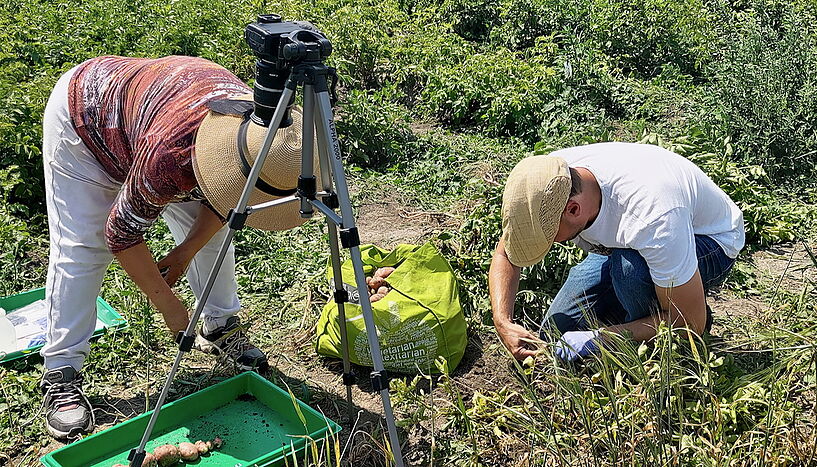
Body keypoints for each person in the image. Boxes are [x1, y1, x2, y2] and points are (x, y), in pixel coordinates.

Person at [39, 55, 318, 439]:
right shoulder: (170, 158)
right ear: (225, 164)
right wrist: (170, 307)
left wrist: (185, 251)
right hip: (88, 121)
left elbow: (227, 203)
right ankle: (61, 371)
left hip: (160, 115)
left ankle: (220, 325)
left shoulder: (266, 138)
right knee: (84, 246)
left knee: (214, 235)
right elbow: (120, 232)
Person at [490, 142, 745, 362]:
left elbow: (690, 322)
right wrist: (503, 321)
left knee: (629, 272)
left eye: (550, 237)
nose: (549, 244)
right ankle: (636, 314)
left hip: (710, 241)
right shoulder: (546, 181)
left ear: (574, 210)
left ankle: (660, 347)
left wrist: (602, 338)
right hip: (626, 245)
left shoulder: (654, 219)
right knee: (555, 332)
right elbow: (506, 254)